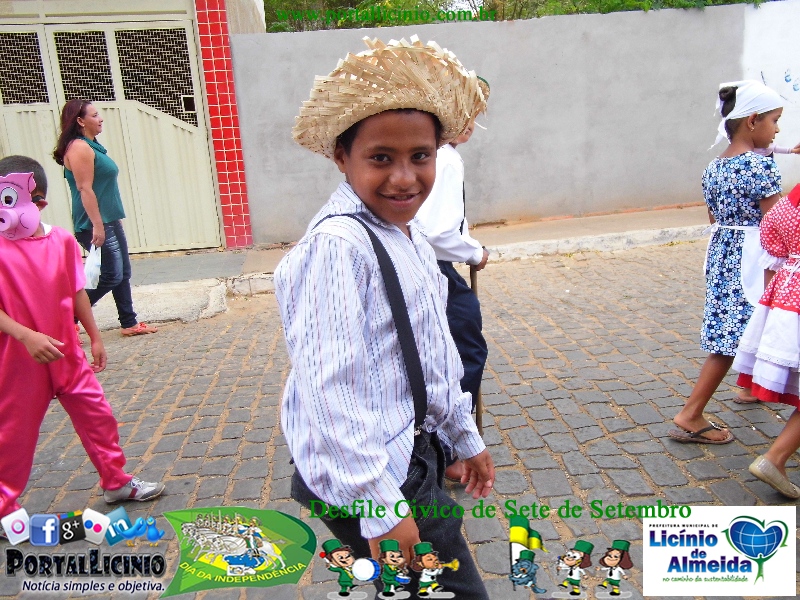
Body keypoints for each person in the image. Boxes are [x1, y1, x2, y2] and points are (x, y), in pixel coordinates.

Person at [275, 37, 494, 599]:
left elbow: (434, 352)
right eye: (381, 159)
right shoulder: (338, 248)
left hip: (407, 453)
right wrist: (380, 509)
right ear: (341, 158)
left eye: (420, 156)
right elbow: (330, 390)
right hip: (372, 475)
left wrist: (463, 435)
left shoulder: (408, 235)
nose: (404, 177)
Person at [0, 156, 164, 533]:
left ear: (39, 201)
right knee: (13, 433)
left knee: (97, 415)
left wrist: (94, 336)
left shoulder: (60, 241)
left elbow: (76, 291)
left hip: (67, 353)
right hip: (19, 360)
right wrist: (25, 335)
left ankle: (116, 482)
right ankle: (4, 504)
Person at [669, 80, 783, 444]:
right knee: (736, 335)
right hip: (755, 257)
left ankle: (751, 387)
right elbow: (778, 225)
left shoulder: (715, 166)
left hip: (723, 252)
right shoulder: (760, 167)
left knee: (743, 325)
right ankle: (691, 413)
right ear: (752, 121)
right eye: (774, 121)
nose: (777, 130)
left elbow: (713, 216)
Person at [414, 113, 489, 482]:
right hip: (431, 264)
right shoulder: (445, 158)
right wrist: (474, 253)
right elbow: (438, 232)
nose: (470, 122)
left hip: (425, 260)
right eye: (462, 113)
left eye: (475, 115)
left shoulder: (440, 155)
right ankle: (444, 447)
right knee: (465, 350)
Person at [52, 99, 157, 337]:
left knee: (123, 273)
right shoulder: (79, 148)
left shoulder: (93, 146)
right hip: (93, 222)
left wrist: (109, 221)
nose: (100, 119)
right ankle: (66, 318)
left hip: (109, 219)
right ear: (80, 121)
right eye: (94, 115)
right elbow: (84, 188)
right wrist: (97, 225)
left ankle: (129, 323)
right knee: (111, 275)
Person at [733, 183, 800, 498]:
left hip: (787, 299)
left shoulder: (789, 204)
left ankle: (777, 457)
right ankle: (775, 458)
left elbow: (771, 242)